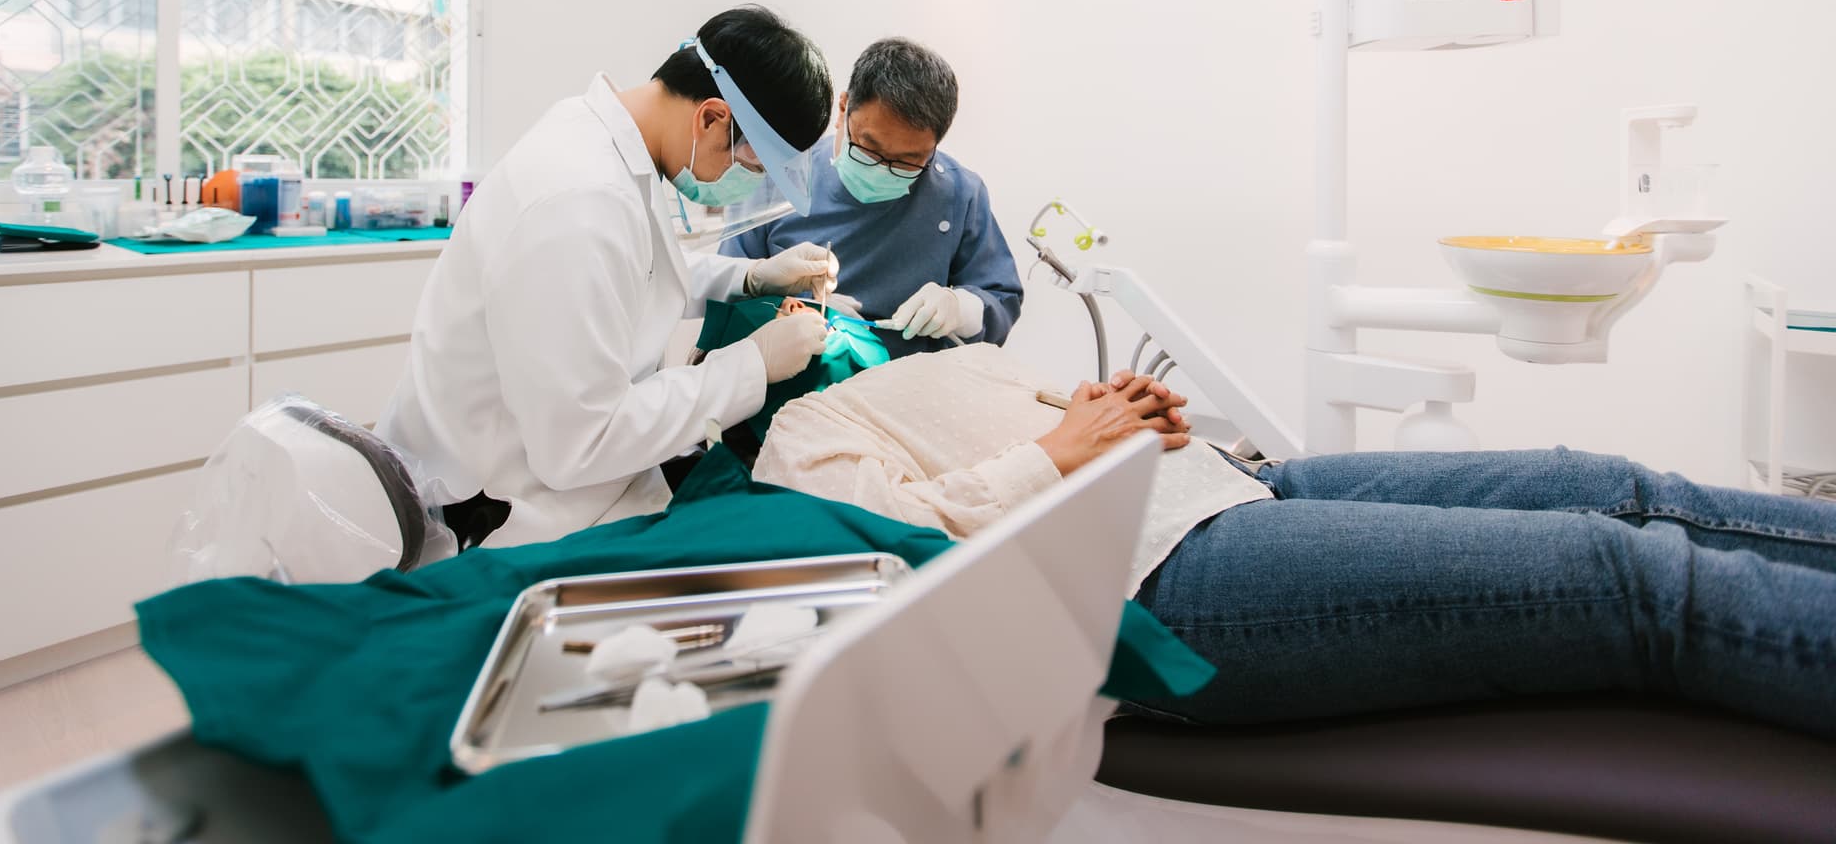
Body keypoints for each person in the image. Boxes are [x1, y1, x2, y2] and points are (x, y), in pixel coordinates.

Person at [751, 337, 1836, 738]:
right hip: (1161, 573)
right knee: (1623, 574)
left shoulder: (955, 352)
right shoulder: (800, 425)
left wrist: (1130, 409)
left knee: (1603, 482)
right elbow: (890, 555)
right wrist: (1064, 446)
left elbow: (1074, 413)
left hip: (1237, 483)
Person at [384, 7, 846, 549]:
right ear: (712, 118)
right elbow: (580, 443)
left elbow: (628, 273)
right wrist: (752, 364)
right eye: (752, 165)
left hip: (565, 473)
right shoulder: (578, 201)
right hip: (504, 512)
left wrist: (751, 277)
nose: (744, 181)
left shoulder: (603, 144)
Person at [722, 38, 1021, 356]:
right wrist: (782, 308)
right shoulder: (775, 178)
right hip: (786, 378)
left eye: (908, 160)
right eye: (869, 148)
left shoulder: (960, 194)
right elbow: (724, 291)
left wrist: (962, 309)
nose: (883, 169)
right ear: (842, 109)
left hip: (904, 389)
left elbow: (1001, 297)